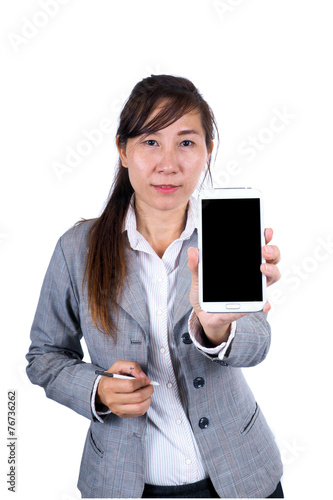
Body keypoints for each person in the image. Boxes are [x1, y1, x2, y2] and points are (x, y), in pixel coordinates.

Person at [26, 74, 284, 498]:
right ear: (122, 150)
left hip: (241, 476)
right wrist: (97, 389)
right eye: (150, 142)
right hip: (125, 484)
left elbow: (256, 343)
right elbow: (44, 356)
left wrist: (218, 329)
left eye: (186, 142)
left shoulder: (229, 235)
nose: (168, 163)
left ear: (207, 152)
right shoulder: (77, 249)